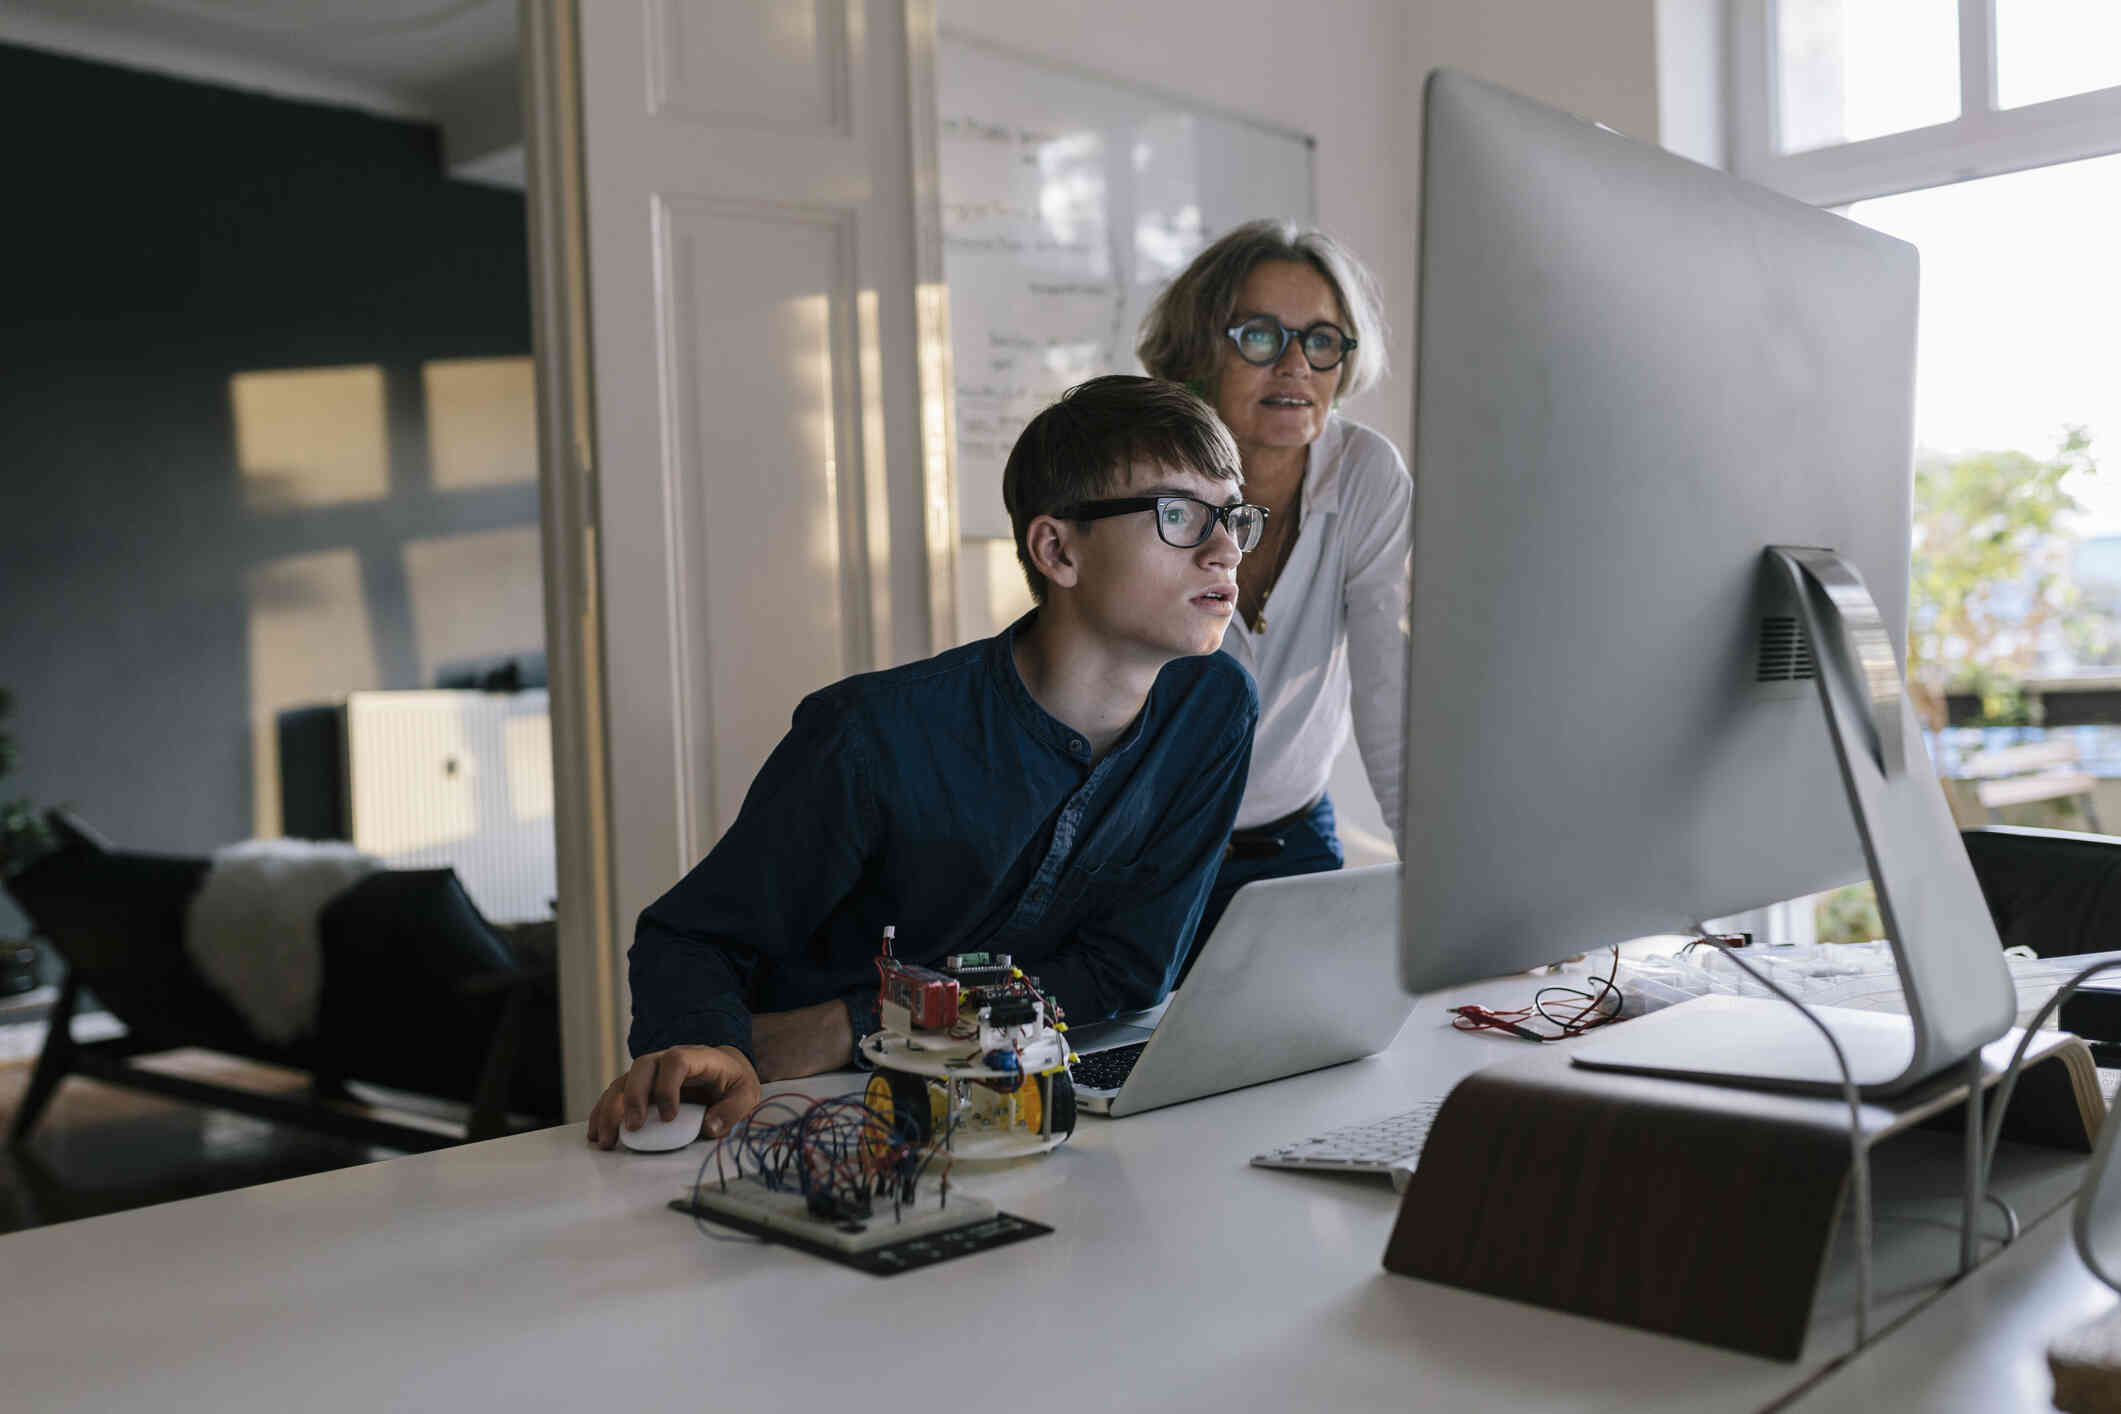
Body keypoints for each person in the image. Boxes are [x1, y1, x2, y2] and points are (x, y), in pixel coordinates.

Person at [588, 375, 1263, 1148]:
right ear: (1057, 549)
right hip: (816, 1111)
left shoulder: (1213, 708)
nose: (1224, 550)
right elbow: (693, 938)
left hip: (1015, 1093)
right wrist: (720, 1045)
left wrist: (846, 1024)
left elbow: (1126, 970)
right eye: (1178, 515)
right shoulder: (871, 736)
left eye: (1234, 517)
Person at [1137, 220, 1411, 967]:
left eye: (1321, 340)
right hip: (1148, 853)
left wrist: (1442, 885)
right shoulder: (1144, 477)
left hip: (1294, 837)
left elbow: (1386, 689)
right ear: (1201, 349)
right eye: (1260, 336)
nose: (1295, 365)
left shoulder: (1365, 475)